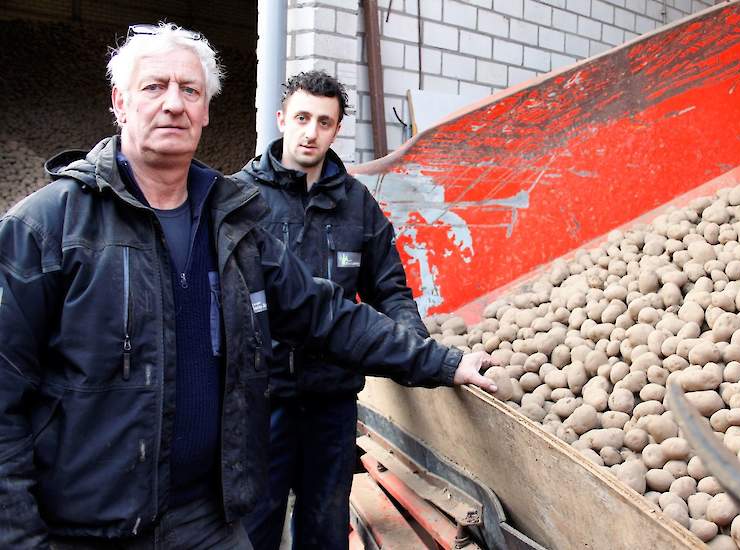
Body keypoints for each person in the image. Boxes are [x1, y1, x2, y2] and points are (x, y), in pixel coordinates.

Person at [0, 23, 496, 549]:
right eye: (154, 87)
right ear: (119, 103)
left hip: (208, 520)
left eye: (190, 90)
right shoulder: (46, 227)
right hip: (91, 531)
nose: (174, 104)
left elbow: (325, 314)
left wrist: (445, 362)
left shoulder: (231, 222)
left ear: (207, 111)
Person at [234, 71, 432, 550]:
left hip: (331, 402)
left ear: (336, 129)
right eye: (301, 118)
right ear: (282, 119)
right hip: (262, 402)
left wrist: (418, 347)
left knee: (324, 529)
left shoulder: (357, 206)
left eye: (324, 122)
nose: (310, 132)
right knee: (253, 528)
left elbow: (391, 290)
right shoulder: (242, 198)